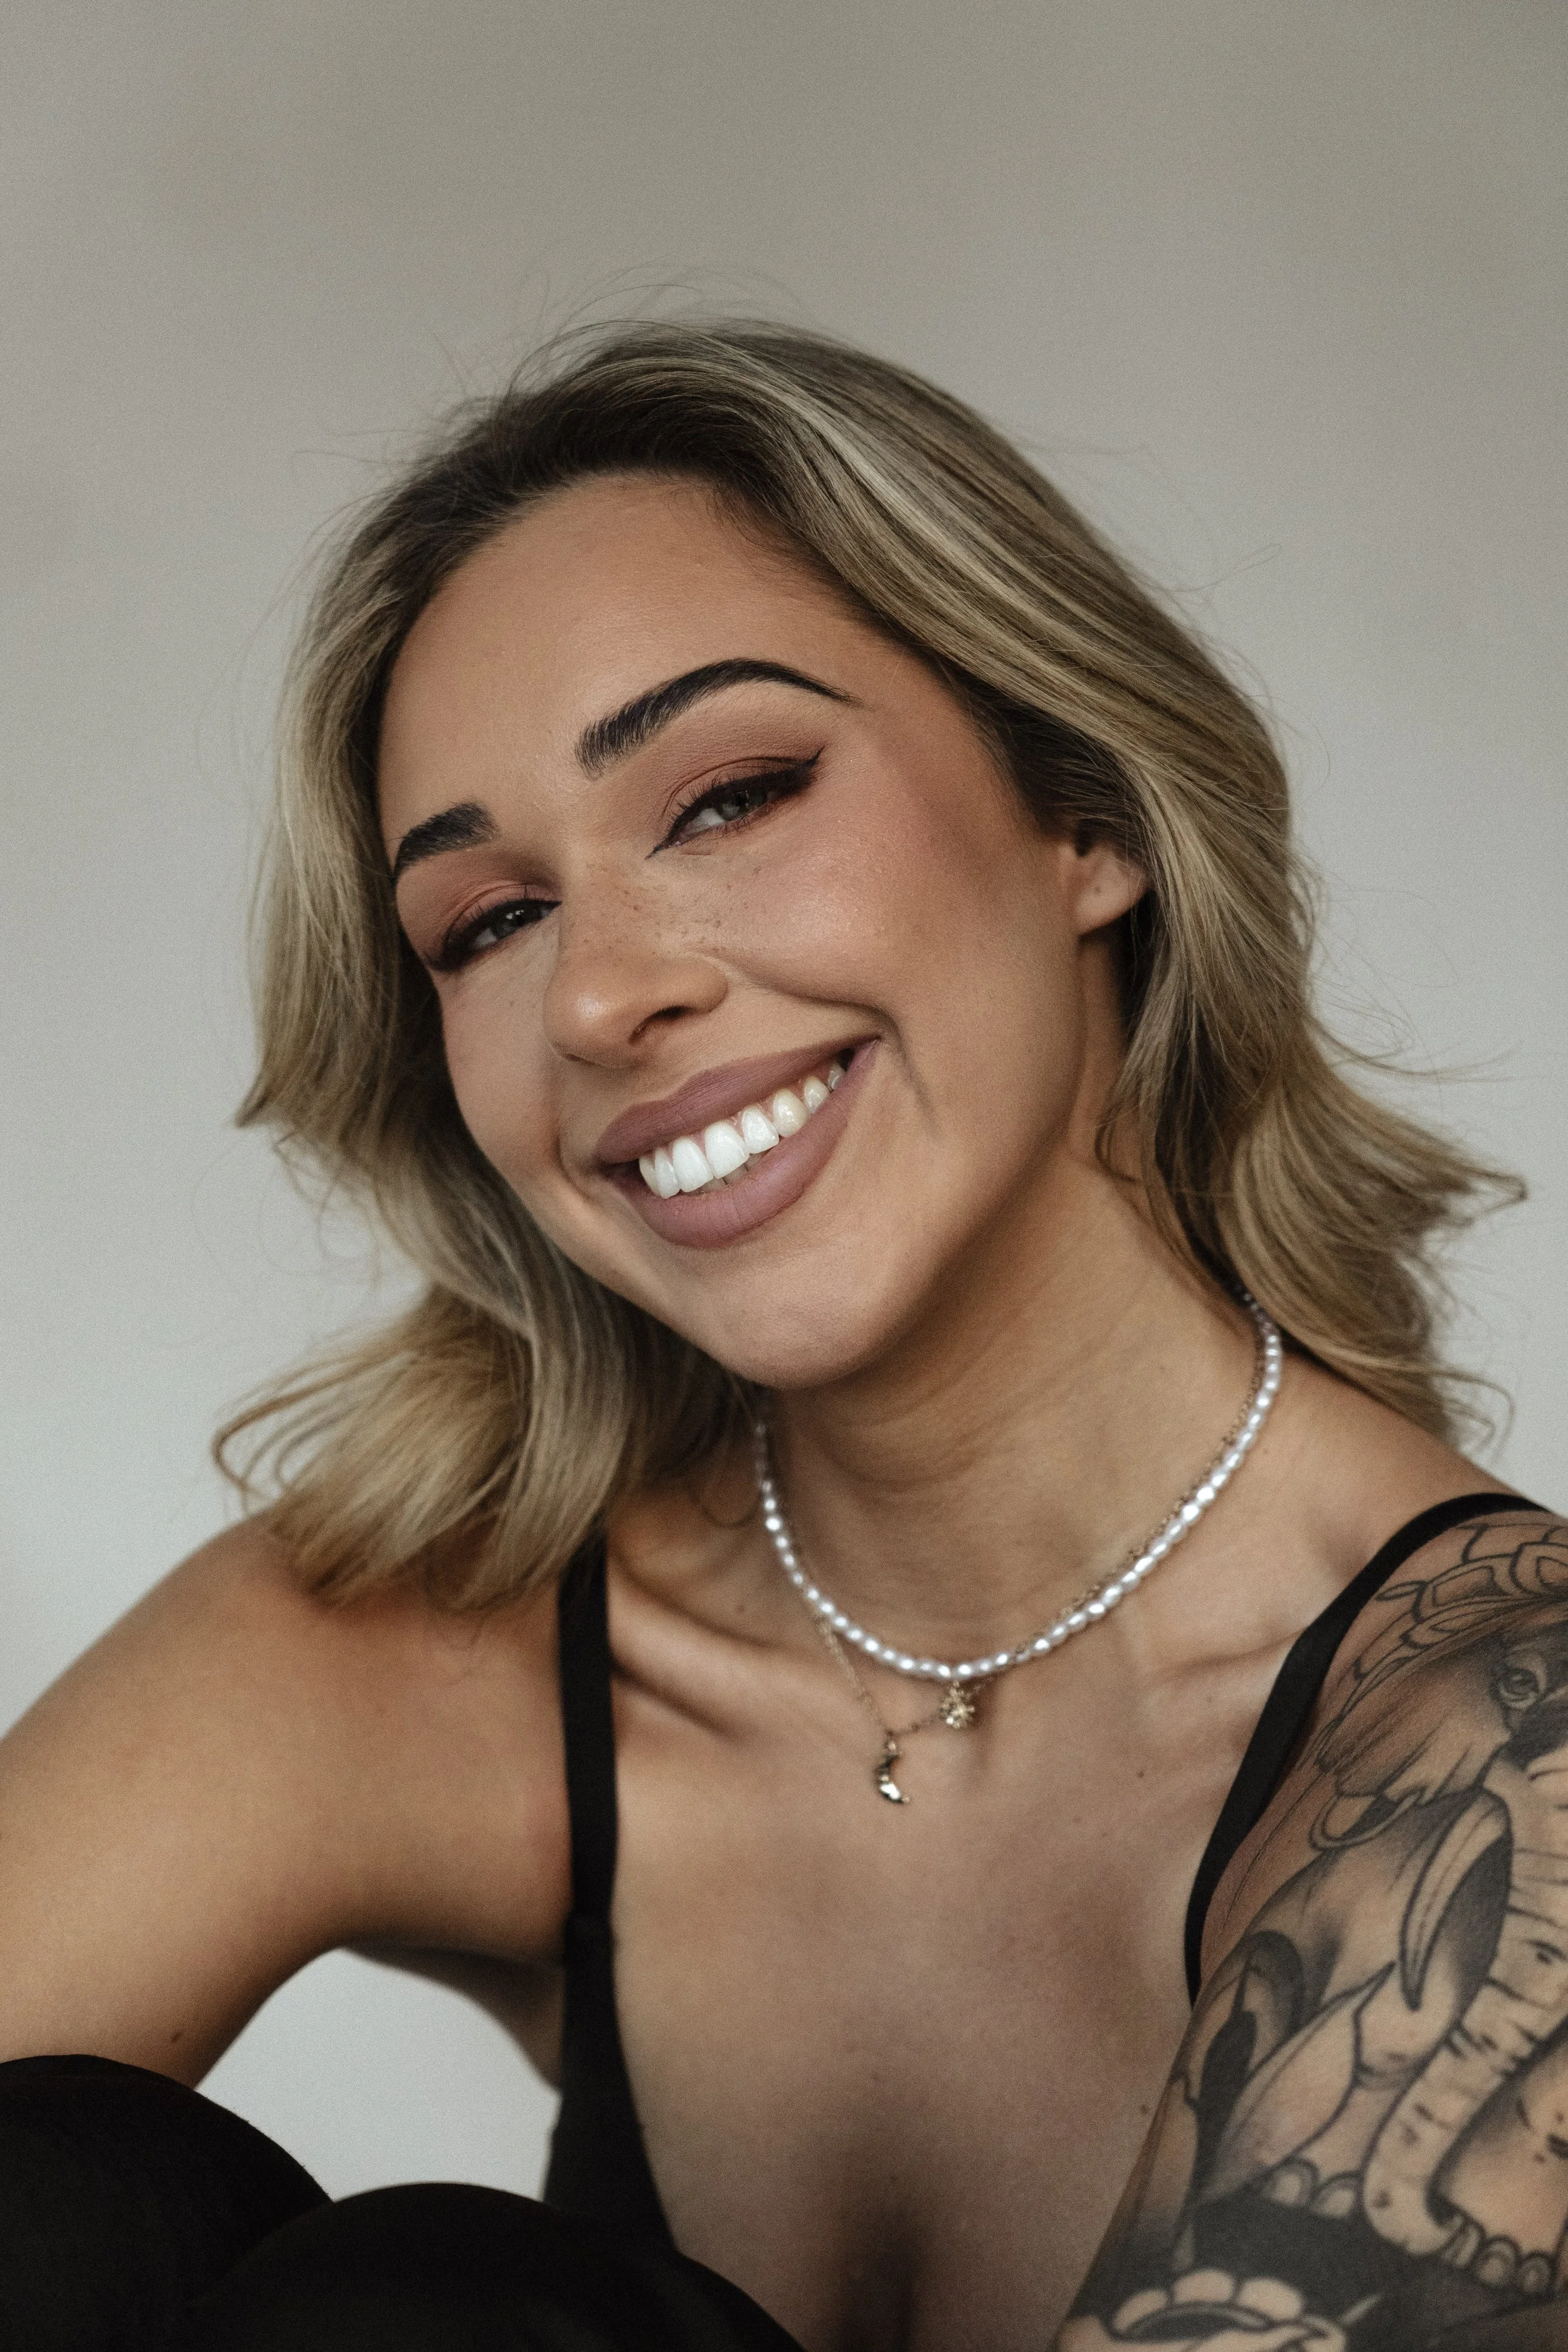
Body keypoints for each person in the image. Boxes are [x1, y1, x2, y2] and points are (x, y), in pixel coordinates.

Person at [0, 320, 1558, 2352]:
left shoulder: (1503, 1751)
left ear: (1079, 810)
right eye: (485, 921)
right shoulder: (451, 1631)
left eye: (729, 795)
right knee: (79, 2204)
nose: (599, 998)